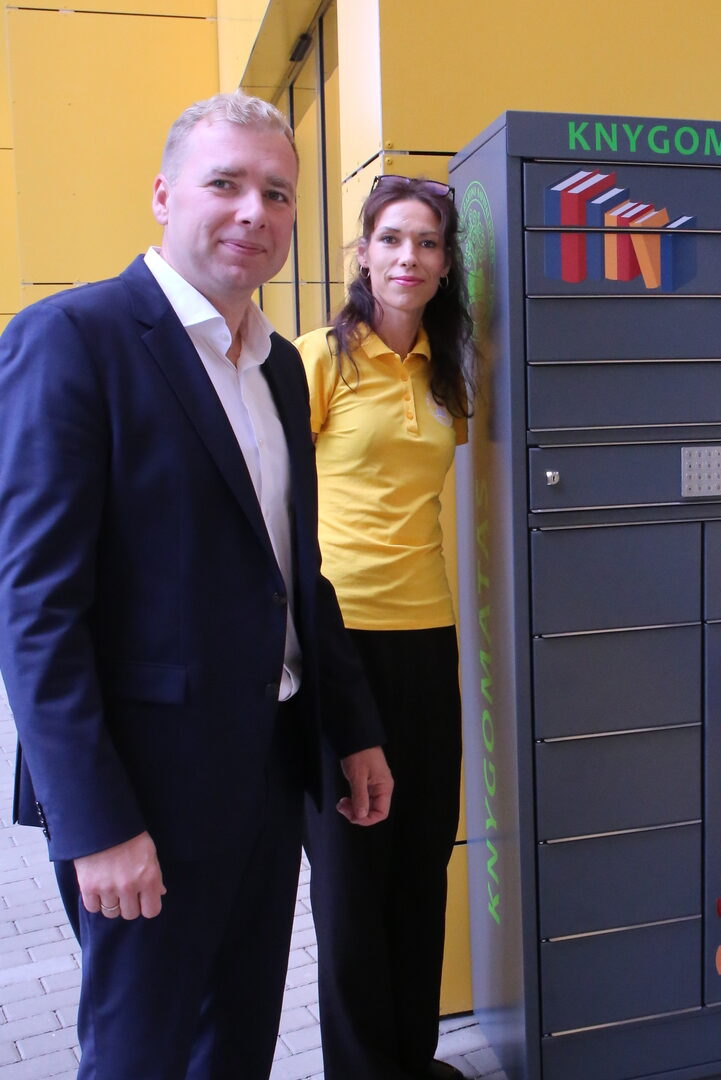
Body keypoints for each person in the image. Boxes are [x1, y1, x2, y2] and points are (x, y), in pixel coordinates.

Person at [0, 93, 393, 1080]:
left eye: (278, 192)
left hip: (268, 772)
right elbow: (36, 613)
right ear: (165, 194)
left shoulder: (278, 368)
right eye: (226, 183)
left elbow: (295, 574)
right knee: (141, 1055)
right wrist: (96, 823)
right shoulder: (73, 338)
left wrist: (351, 730)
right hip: (145, 793)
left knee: (238, 1046)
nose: (254, 210)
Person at [295, 173, 472, 1080]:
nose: (410, 257)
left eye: (428, 242)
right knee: (353, 875)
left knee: (421, 855)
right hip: (340, 640)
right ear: (363, 253)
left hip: (428, 635)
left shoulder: (446, 372)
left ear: (445, 264)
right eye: (393, 239)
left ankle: (414, 1057)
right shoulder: (316, 361)